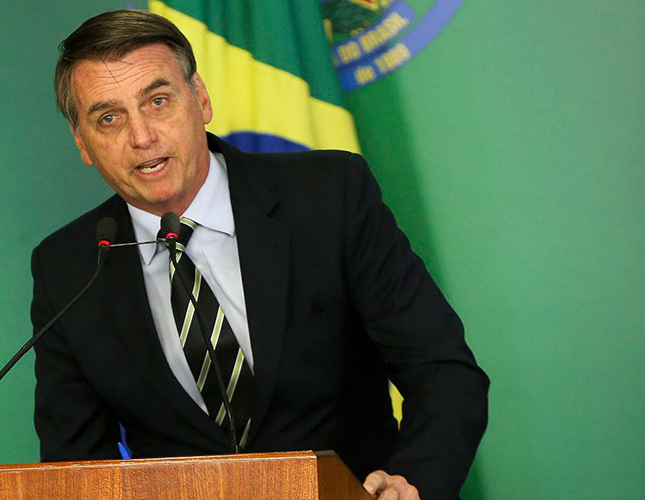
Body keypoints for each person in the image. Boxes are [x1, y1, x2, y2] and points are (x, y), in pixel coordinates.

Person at [31, 9, 489, 500]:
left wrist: (411, 483)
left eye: (158, 101)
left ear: (200, 98)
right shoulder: (67, 268)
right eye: (109, 118)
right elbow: (75, 469)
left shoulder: (328, 198)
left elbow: (442, 371)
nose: (141, 137)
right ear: (83, 143)